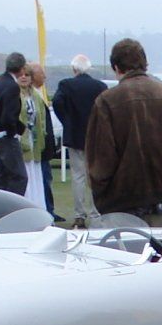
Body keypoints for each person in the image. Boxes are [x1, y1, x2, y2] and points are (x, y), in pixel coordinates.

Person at [84, 38, 162, 222]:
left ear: (116, 67)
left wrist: (102, 194)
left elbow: (101, 159)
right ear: (145, 65)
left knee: (125, 250)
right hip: (161, 197)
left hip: (119, 201)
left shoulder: (107, 101)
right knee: (157, 247)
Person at [52, 55, 106, 225]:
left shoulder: (66, 85)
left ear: (74, 69)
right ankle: (95, 213)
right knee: (96, 176)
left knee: (78, 176)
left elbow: (57, 103)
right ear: (88, 68)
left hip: (74, 135)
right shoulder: (100, 86)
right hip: (96, 136)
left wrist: (67, 122)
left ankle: (79, 214)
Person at [0, 52, 29, 194]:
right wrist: (16, 130)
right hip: (4, 136)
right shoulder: (12, 87)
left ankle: (3, 208)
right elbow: (9, 116)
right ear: (21, 68)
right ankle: (14, 209)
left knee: (3, 177)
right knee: (19, 177)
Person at [22, 63, 60, 215]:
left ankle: (46, 209)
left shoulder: (37, 95)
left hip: (39, 145)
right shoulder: (26, 96)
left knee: (42, 179)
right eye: (41, 73)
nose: (44, 77)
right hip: (29, 145)